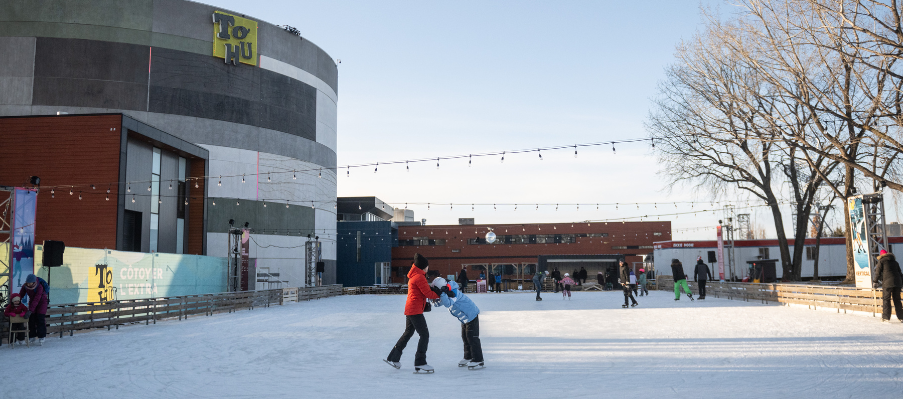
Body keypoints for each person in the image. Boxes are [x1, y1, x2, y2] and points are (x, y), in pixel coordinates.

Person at [385, 254, 441, 373]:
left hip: (411, 309)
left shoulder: (415, 276)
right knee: (424, 335)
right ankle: (420, 362)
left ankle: (393, 358)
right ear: (422, 267)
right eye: (427, 266)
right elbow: (428, 294)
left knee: (408, 333)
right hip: (415, 310)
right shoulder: (419, 277)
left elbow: (425, 291)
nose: (428, 268)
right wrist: (440, 293)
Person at [426, 271, 485, 370]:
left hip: (471, 315)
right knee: (465, 337)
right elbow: (437, 304)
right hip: (464, 318)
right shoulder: (444, 293)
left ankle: (478, 359)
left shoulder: (454, 292)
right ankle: (468, 357)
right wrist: (433, 298)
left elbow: (448, 303)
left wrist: (443, 294)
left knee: (472, 337)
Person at [873, 249, 903, 323]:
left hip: (887, 283)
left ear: (881, 255)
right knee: (897, 300)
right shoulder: (895, 262)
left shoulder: (881, 261)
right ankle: (901, 317)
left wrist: (875, 281)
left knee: (886, 300)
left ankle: (886, 317)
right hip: (897, 283)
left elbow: (878, 272)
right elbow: (900, 273)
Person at [20, 274, 49, 345]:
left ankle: (41, 336)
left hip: (42, 302)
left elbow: (37, 299)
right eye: (27, 283)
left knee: (40, 318)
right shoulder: (25, 286)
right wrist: (12, 302)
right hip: (33, 301)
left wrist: (30, 310)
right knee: (31, 318)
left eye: (30, 283)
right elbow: (20, 295)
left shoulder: (39, 287)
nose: (28, 284)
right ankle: (32, 336)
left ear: (34, 282)